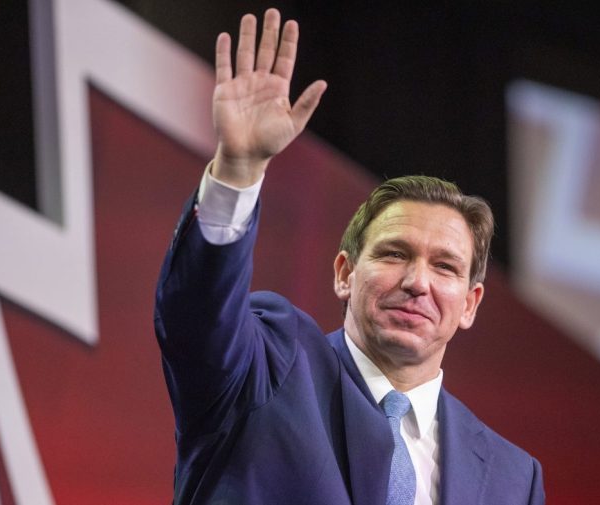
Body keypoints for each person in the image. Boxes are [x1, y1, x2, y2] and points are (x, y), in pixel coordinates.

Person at [154, 8, 544, 505]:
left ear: (470, 303)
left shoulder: (514, 477)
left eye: (444, 266)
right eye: (394, 254)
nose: (417, 281)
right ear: (345, 272)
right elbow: (195, 315)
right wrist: (238, 168)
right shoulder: (269, 365)